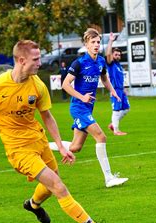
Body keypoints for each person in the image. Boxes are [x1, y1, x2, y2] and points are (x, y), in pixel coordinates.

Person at [0, 40, 118, 223]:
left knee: (51, 185)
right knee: (58, 186)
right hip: (18, 149)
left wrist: (59, 146)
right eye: (36, 59)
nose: (40, 63)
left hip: (38, 140)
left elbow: (47, 116)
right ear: (22, 60)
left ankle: (33, 204)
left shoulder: (38, 85)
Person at [51, 28, 128, 188]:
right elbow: (65, 84)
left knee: (75, 147)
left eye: (98, 42)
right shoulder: (79, 63)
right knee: (101, 137)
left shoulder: (100, 61)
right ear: (86, 44)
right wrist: (82, 97)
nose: (96, 45)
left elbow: (105, 78)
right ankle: (109, 178)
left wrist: (113, 91)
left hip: (88, 108)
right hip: (79, 108)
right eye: (92, 42)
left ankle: (43, 145)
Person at [106, 32, 129, 136]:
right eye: (116, 54)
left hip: (120, 89)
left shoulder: (119, 65)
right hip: (114, 89)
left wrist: (124, 88)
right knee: (116, 109)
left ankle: (113, 123)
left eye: (119, 54)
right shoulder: (111, 64)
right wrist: (111, 41)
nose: (118, 56)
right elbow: (108, 54)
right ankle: (116, 130)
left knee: (126, 108)